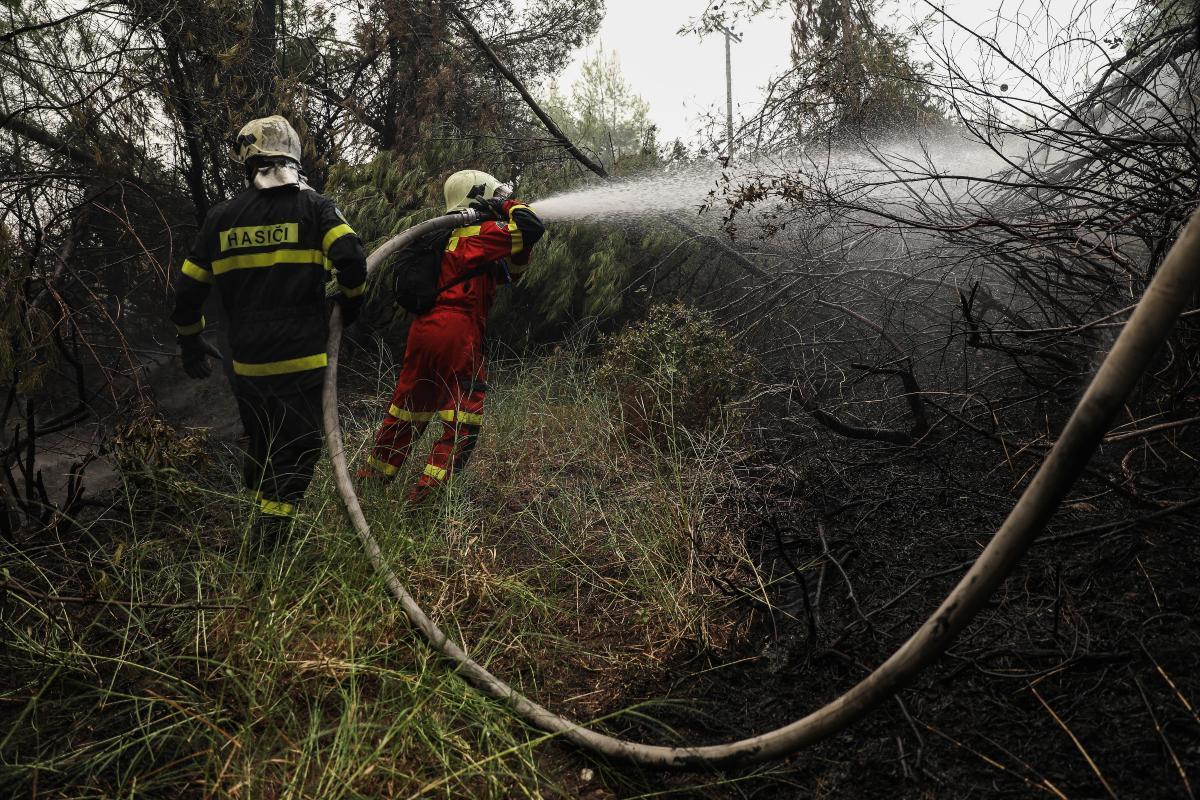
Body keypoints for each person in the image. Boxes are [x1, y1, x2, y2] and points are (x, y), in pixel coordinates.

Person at [170, 115, 366, 534]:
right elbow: (350, 257)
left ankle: (259, 514)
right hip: (301, 357)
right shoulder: (315, 208)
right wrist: (350, 306)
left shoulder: (221, 218)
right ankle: (268, 540)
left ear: (247, 163)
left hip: (246, 363)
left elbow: (187, 290)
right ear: (293, 157)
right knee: (299, 447)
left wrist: (190, 341)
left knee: (263, 443)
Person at [357, 169, 545, 501]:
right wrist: (506, 206)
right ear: (481, 196)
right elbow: (531, 226)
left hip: (424, 330)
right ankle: (425, 500)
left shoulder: (444, 239)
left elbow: (508, 273)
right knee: (463, 419)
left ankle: (370, 485)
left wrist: (518, 247)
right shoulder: (481, 235)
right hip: (457, 331)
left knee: (407, 410)